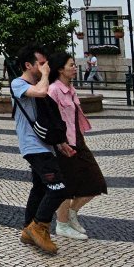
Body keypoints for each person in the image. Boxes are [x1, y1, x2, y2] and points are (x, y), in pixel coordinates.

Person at [9, 46, 67, 256]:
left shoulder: (39, 83)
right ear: (28, 65)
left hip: (45, 146)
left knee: (40, 188)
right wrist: (44, 76)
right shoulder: (18, 84)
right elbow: (41, 92)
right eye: (41, 63)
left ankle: (28, 228)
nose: (46, 67)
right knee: (59, 188)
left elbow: (47, 117)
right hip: (32, 146)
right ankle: (39, 226)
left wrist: (60, 143)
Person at [47, 51, 107, 239]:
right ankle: (62, 224)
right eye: (71, 65)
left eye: (74, 65)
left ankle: (72, 213)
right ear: (60, 69)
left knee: (96, 182)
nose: (74, 68)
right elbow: (50, 119)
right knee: (68, 185)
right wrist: (59, 143)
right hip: (63, 144)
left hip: (77, 140)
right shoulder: (54, 90)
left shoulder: (71, 89)